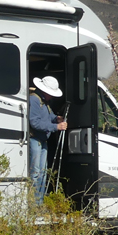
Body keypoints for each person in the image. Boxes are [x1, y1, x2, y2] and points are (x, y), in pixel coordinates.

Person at [28, 75, 68, 204]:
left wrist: (56, 118)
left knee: (42, 172)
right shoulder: (34, 100)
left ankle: (39, 202)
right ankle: (34, 203)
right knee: (35, 173)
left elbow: (48, 116)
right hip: (35, 139)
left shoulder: (44, 101)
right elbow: (34, 122)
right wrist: (56, 126)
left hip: (41, 141)